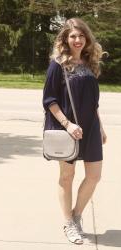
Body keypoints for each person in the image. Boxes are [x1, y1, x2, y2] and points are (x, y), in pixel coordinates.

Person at [43, 18, 107, 245]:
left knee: (94, 176)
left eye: (81, 36)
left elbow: (93, 102)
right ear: (65, 39)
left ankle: (76, 215)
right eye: (73, 36)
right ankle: (68, 223)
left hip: (90, 128)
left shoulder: (89, 64)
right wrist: (67, 124)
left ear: (86, 38)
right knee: (67, 177)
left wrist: (99, 126)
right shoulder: (57, 64)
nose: (77, 40)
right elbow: (49, 99)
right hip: (67, 129)